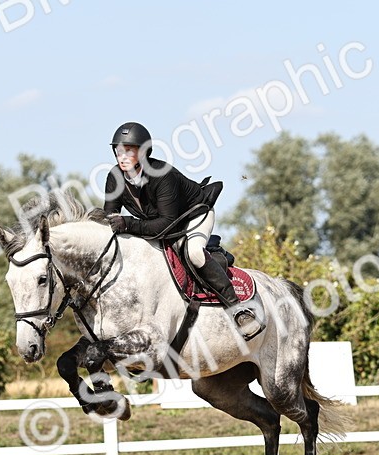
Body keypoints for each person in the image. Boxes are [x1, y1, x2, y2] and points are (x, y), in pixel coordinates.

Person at [102, 122, 262, 339]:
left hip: (193, 217)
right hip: (158, 222)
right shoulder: (115, 177)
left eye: (129, 150)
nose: (122, 156)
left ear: (144, 151)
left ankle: (239, 310)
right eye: (119, 150)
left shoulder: (162, 175)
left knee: (193, 253)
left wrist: (128, 224)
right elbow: (110, 217)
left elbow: (166, 223)